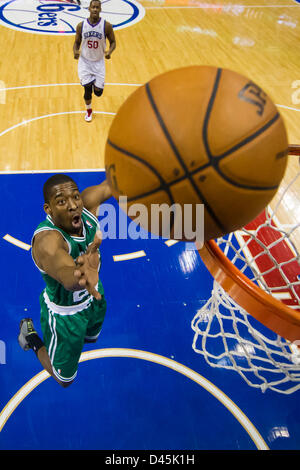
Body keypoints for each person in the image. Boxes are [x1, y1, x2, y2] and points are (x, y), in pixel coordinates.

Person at [18, 174, 112, 387]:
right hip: (65, 316)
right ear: (48, 209)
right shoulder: (47, 241)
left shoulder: (87, 207)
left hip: (94, 295)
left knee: (91, 337)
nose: (73, 206)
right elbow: (65, 274)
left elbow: (115, 183)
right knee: (64, 379)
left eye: (75, 197)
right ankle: (31, 339)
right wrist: (80, 276)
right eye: (61, 201)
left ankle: (81, 337)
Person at [73, 0, 116, 122]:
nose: (95, 9)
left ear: (100, 9)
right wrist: (75, 52)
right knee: (87, 90)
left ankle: (95, 84)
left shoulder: (106, 26)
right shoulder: (81, 26)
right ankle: (89, 111)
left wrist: (109, 52)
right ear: (89, 9)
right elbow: (76, 43)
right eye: (93, 7)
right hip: (85, 62)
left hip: (99, 62)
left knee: (98, 93)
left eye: (97, 7)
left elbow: (113, 42)